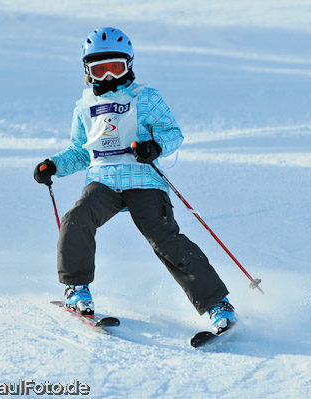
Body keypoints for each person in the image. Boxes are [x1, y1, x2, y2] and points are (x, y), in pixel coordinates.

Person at [34, 27, 236, 333]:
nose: (108, 77)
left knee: (164, 238)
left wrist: (154, 147)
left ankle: (217, 304)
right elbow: (80, 151)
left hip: (142, 179)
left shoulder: (147, 97)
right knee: (76, 218)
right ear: (88, 72)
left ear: (129, 65)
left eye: (115, 68)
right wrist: (53, 165)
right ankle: (76, 288)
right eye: (99, 70)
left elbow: (172, 134)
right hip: (103, 179)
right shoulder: (84, 107)